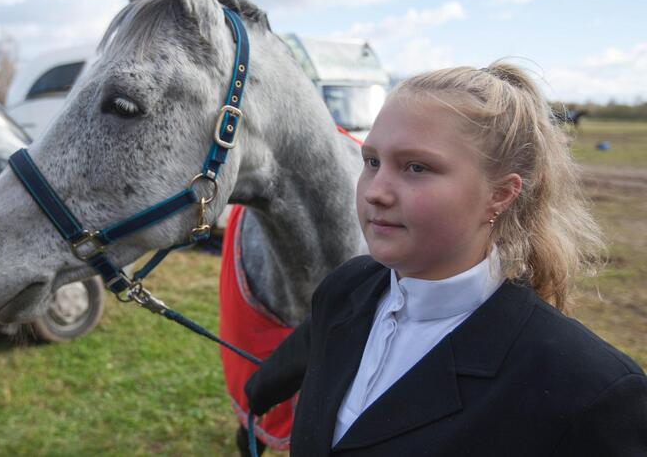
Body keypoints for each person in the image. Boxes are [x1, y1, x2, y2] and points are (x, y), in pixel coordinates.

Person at [243, 62, 647, 456]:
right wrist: (259, 391)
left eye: (416, 167)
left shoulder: (591, 390)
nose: (374, 192)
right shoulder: (349, 285)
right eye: (372, 162)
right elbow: (315, 345)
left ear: (501, 194)